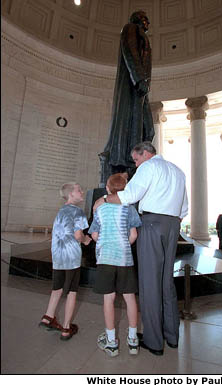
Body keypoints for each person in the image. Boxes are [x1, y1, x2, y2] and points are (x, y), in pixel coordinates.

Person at [94, 141, 188, 356]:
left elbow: (130, 195)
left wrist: (104, 199)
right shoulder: (178, 171)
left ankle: (155, 342)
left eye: (136, 159)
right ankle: (171, 336)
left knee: (149, 283)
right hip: (173, 225)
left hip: (152, 224)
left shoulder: (149, 166)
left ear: (145, 154)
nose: (136, 164)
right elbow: (184, 207)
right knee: (166, 281)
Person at [89, 173, 142, 357]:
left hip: (105, 259)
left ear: (108, 190)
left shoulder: (100, 209)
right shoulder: (129, 208)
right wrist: (123, 245)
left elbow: (94, 235)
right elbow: (133, 235)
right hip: (124, 259)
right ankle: (133, 340)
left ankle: (111, 342)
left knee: (108, 299)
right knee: (130, 298)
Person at [99, 10, 154, 186]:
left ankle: (136, 161)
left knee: (148, 129)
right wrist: (138, 79)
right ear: (137, 19)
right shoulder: (130, 29)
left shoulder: (142, 36)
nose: (147, 22)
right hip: (133, 85)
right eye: (144, 18)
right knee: (131, 125)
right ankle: (128, 162)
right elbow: (130, 51)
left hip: (141, 88)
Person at [39, 183, 91, 340]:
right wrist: (86, 240)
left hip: (58, 255)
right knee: (72, 291)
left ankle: (48, 316)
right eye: (78, 190)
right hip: (71, 256)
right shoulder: (78, 211)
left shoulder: (60, 211)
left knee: (57, 288)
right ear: (70, 195)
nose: (82, 191)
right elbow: (77, 235)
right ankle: (67, 328)